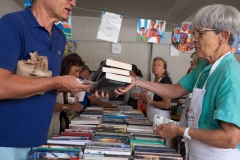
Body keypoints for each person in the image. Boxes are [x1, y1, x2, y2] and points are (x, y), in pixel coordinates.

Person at [115, 4, 240, 160]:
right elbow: (175, 90)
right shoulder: (204, 66)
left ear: (223, 36)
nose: (194, 39)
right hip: (195, 151)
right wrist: (137, 81)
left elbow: (231, 138)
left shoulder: (230, 75)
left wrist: (181, 131)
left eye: (200, 33)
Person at [0, 0, 91, 159]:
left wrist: (80, 86)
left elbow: (44, 84)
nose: (74, 3)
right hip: (7, 141)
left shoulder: (60, 37)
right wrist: (58, 82)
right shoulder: (12, 24)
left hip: (40, 139)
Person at [48, 53, 85, 139]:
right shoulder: (55, 81)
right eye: (76, 71)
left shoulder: (67, 86)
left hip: (58, 128)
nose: (77, 75)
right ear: (67, 67)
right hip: (49, 129)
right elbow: (49, 105)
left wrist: (72, 104)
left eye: (79, 71)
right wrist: (69, 107)